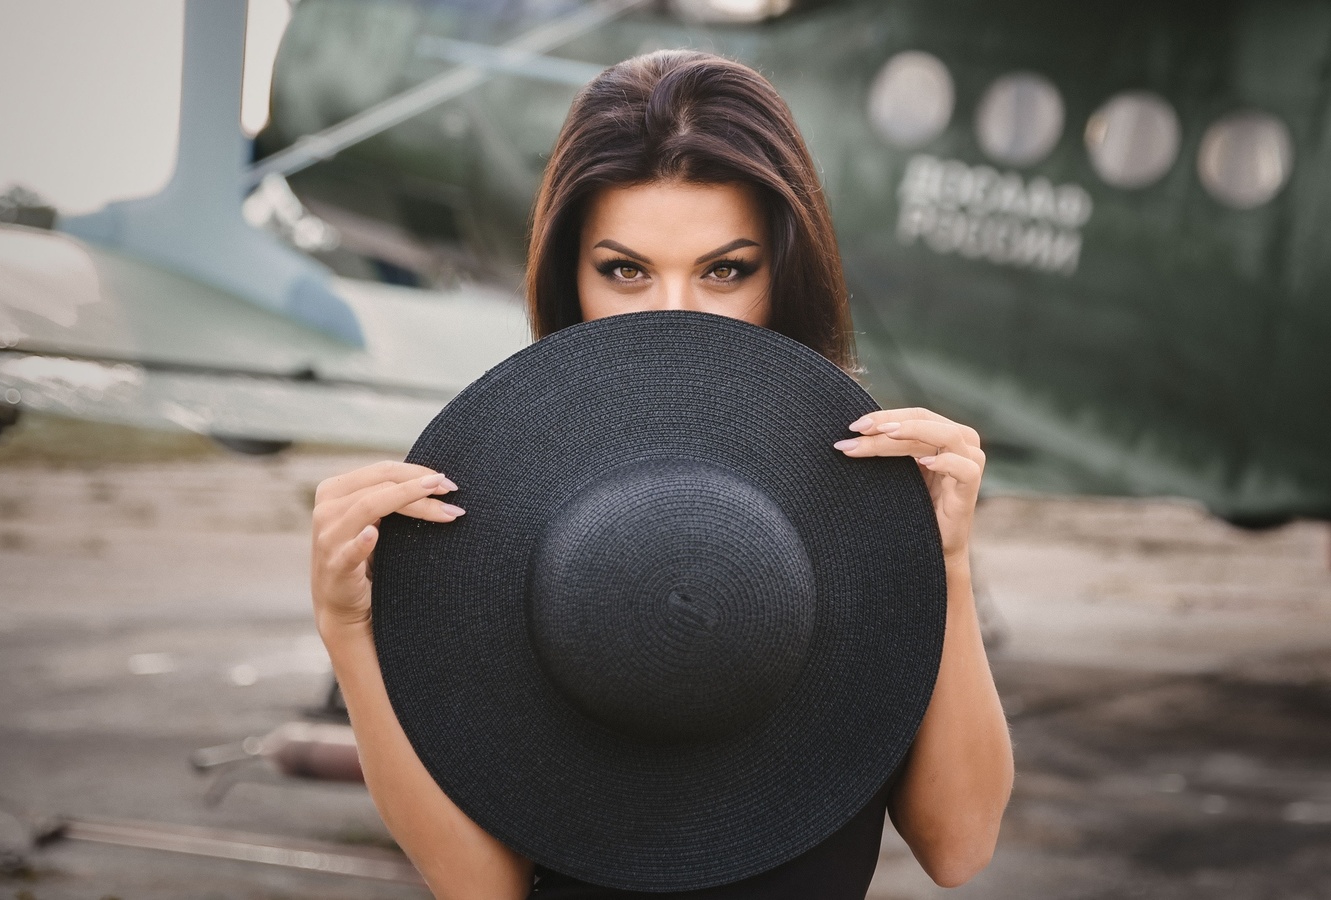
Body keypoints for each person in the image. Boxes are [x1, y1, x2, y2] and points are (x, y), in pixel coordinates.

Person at [310, 50, 1014, 899]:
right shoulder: (490, 500)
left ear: (784, 270)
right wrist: (350, 635)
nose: (674, 316)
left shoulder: (863, 480)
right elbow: (484, 889)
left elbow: (959, 845)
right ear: (570, 273)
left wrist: (947, 562)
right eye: (625, 270)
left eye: (725, 270)